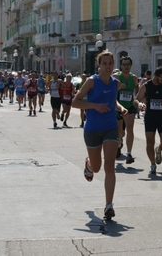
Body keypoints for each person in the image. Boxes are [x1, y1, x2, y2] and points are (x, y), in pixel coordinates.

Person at [72, 50, 128, 220]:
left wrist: (120, 108)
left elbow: (113, 101)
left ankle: (109, 205)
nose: (108, 66)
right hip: (93, 129)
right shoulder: (91, 81)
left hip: (111, 126)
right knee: (97, 168)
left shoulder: (115, 83)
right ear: (99, 65)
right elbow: (75, 102)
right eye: (104, 63)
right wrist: (94, 106)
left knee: (109, 165)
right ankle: (89, 164)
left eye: (110, 63)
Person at [134, 66, 162, 174]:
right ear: (155, 77)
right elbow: (136, 99)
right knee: (150, 141)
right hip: (150, 117)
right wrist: (140, 104)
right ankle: (152, 163)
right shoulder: (146, 86)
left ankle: (159, 150)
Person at [114, 56, 139, 163]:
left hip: (129, 107)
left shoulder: (133, 78)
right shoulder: (116, 77)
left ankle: (129, 153)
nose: (126, 66)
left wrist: (138, 103)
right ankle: (119, 143)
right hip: (117, 107)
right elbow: (109, 90)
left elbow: (137, 91)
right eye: (124, 64)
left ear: (131, 65)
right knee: (120, 132)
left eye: (128, 64)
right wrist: (118, 87)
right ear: (120, 66)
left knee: (130, 129)